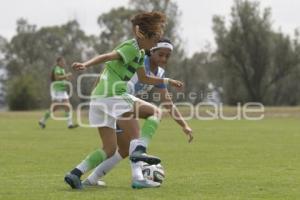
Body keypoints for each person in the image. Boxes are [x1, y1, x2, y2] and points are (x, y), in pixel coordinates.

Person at [64, 11, 184, 189]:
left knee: (109, 149)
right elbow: (107, 56)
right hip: (113, 95)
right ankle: (139, 154)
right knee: (155, 113)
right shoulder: (132, 47)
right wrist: (86, 64)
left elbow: (144, 79)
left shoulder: (141, 53)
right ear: (142, 34)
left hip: (98, 100)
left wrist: (168, 81)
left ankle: (75, 174)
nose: (155, 44)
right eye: (154, 40)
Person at [82, 38, 193, 186]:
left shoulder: (159, 73)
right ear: (151, 51)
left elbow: (167, 102)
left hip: (123, 104)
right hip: (115, 102)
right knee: (136, 140)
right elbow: (106, 73)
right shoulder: (138, 59)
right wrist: (97, 98)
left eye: (167, 56)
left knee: (123, 149)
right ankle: (138, 179)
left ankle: (91, 179)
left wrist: (184, 125)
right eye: (160, 54)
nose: (164, 58)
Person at [38, 57, 78, 129]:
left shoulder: (62, 69)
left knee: (67, 107)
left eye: (64, 62)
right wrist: (66, 76)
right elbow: (57, 78)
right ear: (58, 62)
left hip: (63, 91)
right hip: (57, 91)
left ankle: (70, 124)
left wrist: (67, 79)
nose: (64, 63)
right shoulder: (57, 68)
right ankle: (42, 121)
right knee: (54, 108)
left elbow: (62, 79)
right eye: (62, 62)